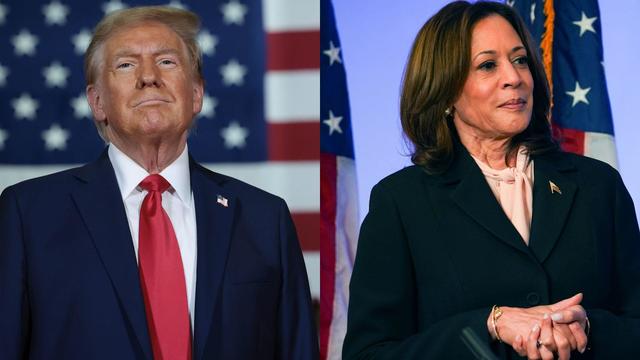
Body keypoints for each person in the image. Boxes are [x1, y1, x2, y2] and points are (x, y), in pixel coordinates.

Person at [0, 6, 318, 360]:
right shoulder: (29, 215)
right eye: (126, 64)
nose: (148, 77)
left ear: (196, 94)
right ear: (97, 101)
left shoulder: (264, 218)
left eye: (167, 62)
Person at [342, 1, 640, 359]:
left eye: (520, 60)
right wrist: (490, 325)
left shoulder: (598, 186)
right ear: (446, 92)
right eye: (487, 65)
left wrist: (587, 327)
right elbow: (369, 353)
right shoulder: (401, 202)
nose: (514, 77)